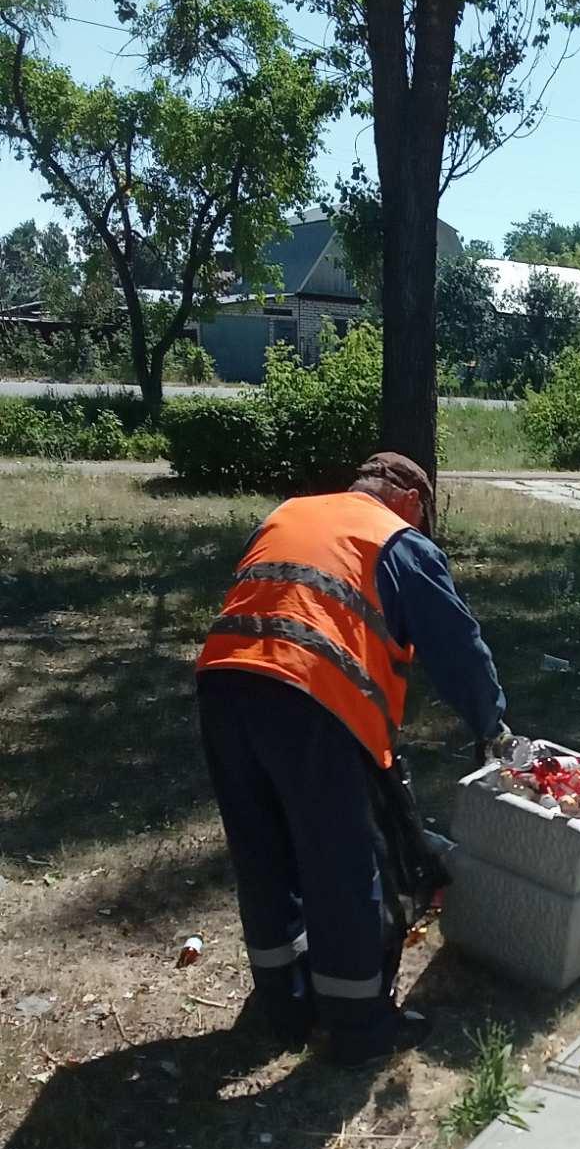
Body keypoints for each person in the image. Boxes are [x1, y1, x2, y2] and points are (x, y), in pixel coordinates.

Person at [196, 451, 507, 1066]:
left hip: (222, 686)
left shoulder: (290, 513)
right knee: (341, 863)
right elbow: (458, 647)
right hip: (310, 701)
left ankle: (283, 1009)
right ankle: (359, 1029)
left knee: (262, 852)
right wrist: (491, 723)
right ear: (413, 502)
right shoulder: (400, 543)